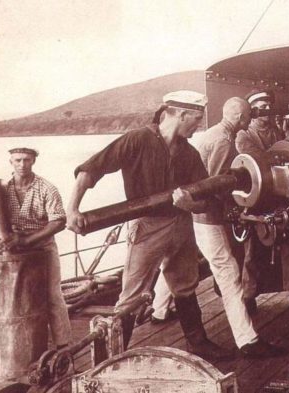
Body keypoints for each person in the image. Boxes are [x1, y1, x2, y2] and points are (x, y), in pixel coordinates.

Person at [66, 90, 234, 361]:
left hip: (181, 223)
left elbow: (205, 201)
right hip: (146, 226)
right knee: (132, 295)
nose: (199, 125)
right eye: (197, 119)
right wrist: (72, 209)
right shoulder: (138, 140)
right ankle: (114, 356)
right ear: (180, 114)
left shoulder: (189, 153)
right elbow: (90, 169)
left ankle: (198, 342)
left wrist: (190, 205)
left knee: (185, 286)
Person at [180, 96, 286, 359]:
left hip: (193, 216)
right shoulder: (224, 141)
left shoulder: (212, 134)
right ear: (240, 118)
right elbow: (213, 184)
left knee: (172, 272)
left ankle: (159, 310)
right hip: (207, 218)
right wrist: (239, 205)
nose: (249, 120)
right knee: (228, 274)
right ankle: (247, 340)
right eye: (248, 116)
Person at [237, 89, 289, 315]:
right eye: (261, 110)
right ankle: (248, 297)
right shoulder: (245, 136)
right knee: (251, 251)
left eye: (268, 109)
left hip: (279, 195)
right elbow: (257, 160)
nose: (265, 114)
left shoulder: (276, 131)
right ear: (252, 112)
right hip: (256, 198)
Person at [0, 147, 72, 349]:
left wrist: (27, 241)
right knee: (12, 299)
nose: (22, 164)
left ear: (33, 161)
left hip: (43, 246)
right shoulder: (1, 190)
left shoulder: (47, 188)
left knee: (53, 296)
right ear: (11, 162)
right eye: (17, 160)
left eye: (26, 160)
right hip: (14, 248)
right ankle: (15, 346)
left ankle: (64, 346)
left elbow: (59, 222)